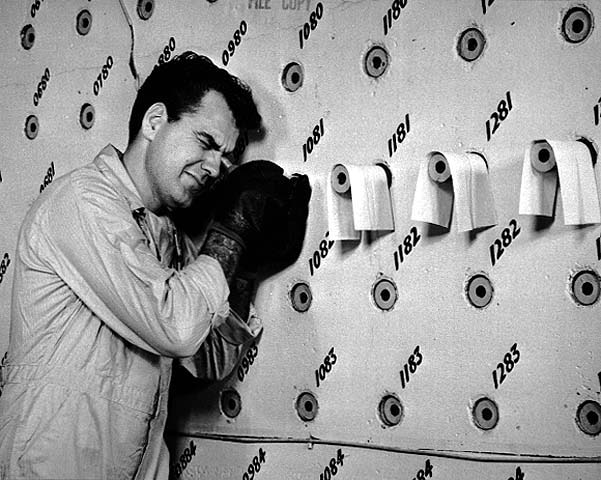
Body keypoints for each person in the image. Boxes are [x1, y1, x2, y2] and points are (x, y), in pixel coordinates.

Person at [0, 52, 310, 479]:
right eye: (205, 143)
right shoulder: (83, 202)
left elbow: (207, 359)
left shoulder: (168, 238)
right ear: (154, 122)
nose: (215, 169)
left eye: (226, 159)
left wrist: (246, 266)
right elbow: (177, 324)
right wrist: (230, 232)